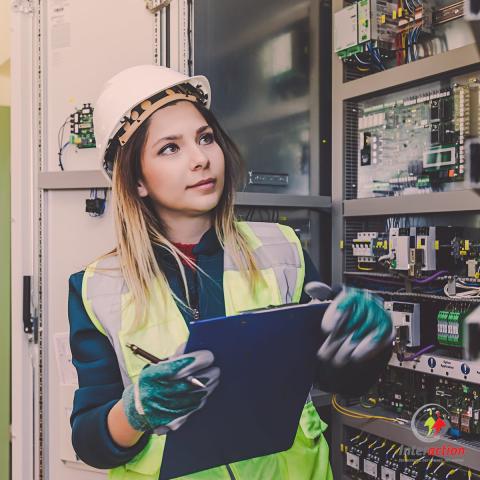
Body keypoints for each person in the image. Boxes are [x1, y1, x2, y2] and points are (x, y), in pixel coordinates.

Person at [68, 65, 393, 480]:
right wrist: (135, 411)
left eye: (205, 138)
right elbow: (91, 441)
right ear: (136, 181)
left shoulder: (282, 250)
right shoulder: (98, 286)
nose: (201, 158)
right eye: (170, 148)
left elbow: (335, 379)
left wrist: (369, 344)